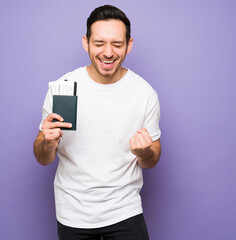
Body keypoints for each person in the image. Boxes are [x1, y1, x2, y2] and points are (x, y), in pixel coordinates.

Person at [34, 5, 161, 240]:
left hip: (125, 210)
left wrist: (144, 153)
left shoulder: (145, 93)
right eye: (99, 43)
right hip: (73, 212)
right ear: (86, 43)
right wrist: (47, 143)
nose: (108, 52)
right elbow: (42, 158)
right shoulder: (64, 87)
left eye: (117, 44)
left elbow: (152, 159)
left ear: (129, 45)